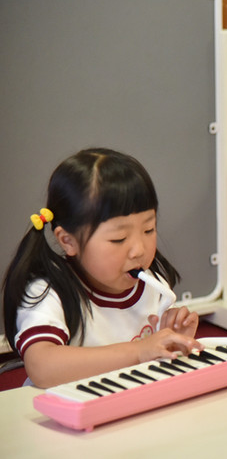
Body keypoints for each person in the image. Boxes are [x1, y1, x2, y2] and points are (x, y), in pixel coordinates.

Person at [2, 148, 203, 389]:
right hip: (59, 416)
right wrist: (138, 351)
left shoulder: (153, 284)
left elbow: (151, 367)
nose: (138, 249)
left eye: (149, 230)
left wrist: (170, 339)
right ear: (68, 241)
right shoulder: (48, 292)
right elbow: (42, 367)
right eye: (119, 239)